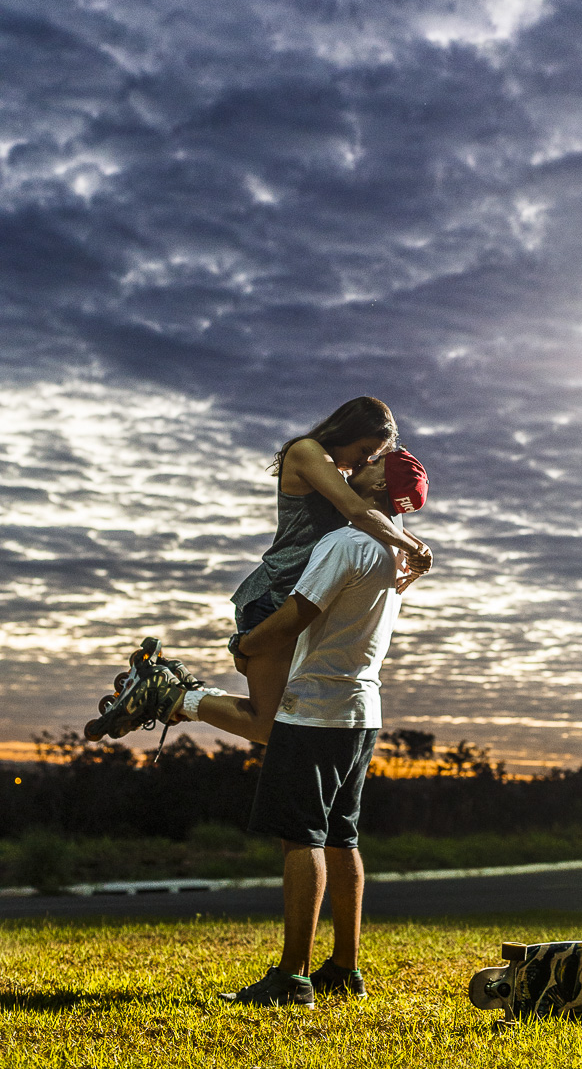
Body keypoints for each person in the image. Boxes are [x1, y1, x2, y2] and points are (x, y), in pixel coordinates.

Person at [90, 449, 429, 1007]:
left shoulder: (347, 543)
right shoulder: (393, 554)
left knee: (301, 838)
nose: (354, 466)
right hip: (361, 712)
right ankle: (344, 968)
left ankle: (291, 977)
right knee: (342, 837)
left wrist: (245, 646)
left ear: (378, 485)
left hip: (316, 709)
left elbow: (299, 612)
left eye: (369, 464)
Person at [226, 397, 432, 726]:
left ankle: (176, 697)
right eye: (365, 449)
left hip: (300, 600)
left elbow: (376, 515)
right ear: (349, 430)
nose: (365, 460)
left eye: (372, 455)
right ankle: (172, 696)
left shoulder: (345, 472)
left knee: (275, 724)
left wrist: (409, 552)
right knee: (265, 724)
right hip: (274, 595)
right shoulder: (307, 451)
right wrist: (416, 549)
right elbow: (357, 511)